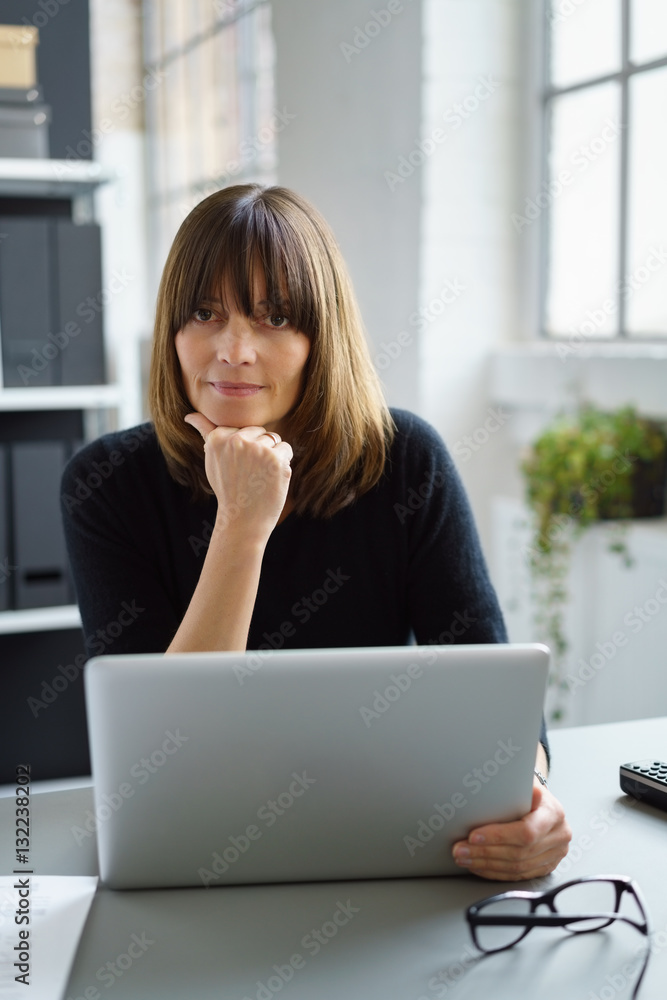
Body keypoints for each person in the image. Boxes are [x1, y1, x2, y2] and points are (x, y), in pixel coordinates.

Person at [61, 183, 571, 880]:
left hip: (389, 855)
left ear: (319, 337)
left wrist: (532, 798)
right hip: (190, 862)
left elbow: (492, 688)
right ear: (171, 332)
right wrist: (242, 524)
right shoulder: (108, 482)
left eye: (273, 318)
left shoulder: (401, 459)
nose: (233, 350)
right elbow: (165, 758)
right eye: (204, 314)